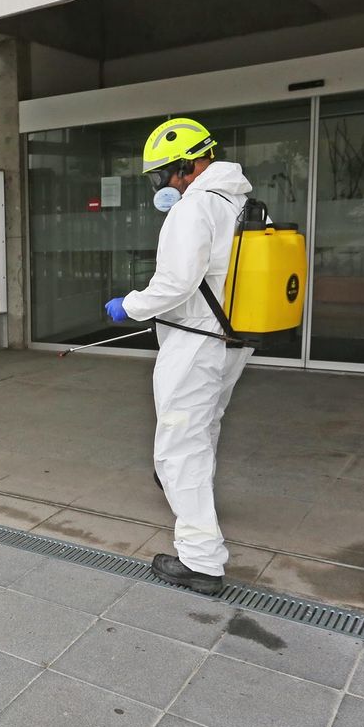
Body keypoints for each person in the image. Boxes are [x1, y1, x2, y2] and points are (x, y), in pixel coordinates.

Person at [104, 117, 251, 595]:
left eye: (161, 174)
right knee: (203, 427)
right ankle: (194, 499)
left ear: (189, 165)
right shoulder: (244, 202)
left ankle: (201, 560)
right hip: (233, 337)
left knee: (179, 446)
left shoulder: (195, 209)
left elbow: (175, 283)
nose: (159, 185)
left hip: (197, 339)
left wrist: (128, 305)